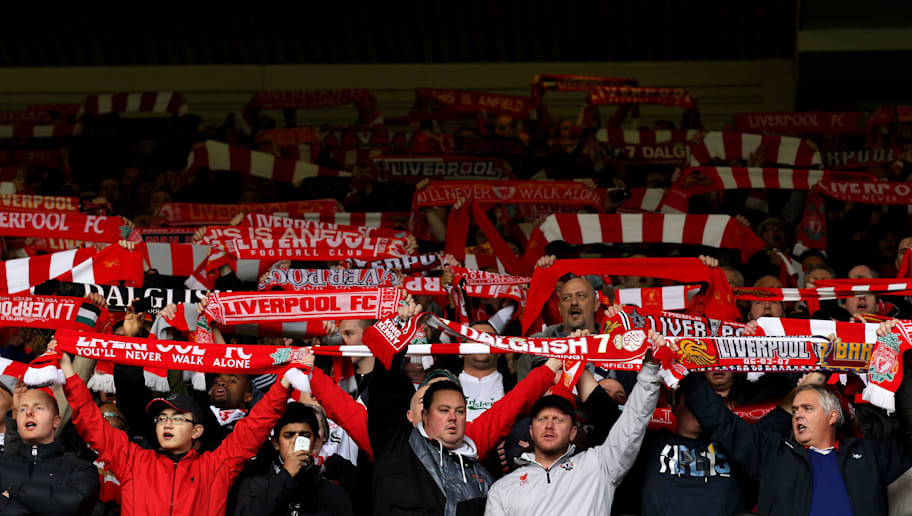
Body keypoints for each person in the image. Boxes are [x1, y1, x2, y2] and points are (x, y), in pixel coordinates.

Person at [679, 321, 912, 516]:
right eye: (796, 409)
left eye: (808, 408)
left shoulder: (870, 454)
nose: (798, 413)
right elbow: (722, 423)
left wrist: (900, 354)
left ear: (832, 416)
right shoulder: (772, 454)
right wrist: (685, 370)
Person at [58, 346, 303, 516]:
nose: (167, 423)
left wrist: (284, 383)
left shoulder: (216, 466)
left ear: (197, 431)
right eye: (162, 418)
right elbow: (92, 423)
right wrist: (69, 371)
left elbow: (254, 428)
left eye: (177, 418)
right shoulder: (134, 461)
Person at [485, 330, 667, 515]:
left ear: (573, 432)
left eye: (559, 419)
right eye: (542, 419)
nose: (549, 425)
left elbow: (633, 421)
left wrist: (650, 368)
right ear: (530, 431)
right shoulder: (503, 489)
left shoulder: (599, 465)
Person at [368, 295, 492, 515]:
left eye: (459, 411)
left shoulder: (483, 477)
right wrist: (398, 329)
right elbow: (383, 392)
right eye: (443, 410)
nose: (453, 417)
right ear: (423, 415)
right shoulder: (397, 445)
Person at [234, 403, 353, 515]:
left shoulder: (333, 492)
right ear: (276, 443)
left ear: (315, 441)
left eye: (304, 436)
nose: (296, 442)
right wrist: (286, 475)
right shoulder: (254, 485)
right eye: (289, 436)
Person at [0, 387, 99, 515]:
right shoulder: (2, 464)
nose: (28, 412)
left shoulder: (81, 468)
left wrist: (15, 491)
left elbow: (76, 503)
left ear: (56, 421)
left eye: (38, 408)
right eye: (22, 409)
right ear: (17, 423)